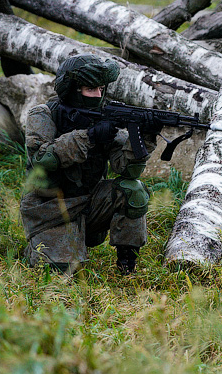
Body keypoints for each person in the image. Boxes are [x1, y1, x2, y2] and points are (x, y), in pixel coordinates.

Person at [20, 54, 161, 274]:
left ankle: (127, 266)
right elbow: (42, 159)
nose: (97, 96)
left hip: (90, 203)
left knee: (134, 190)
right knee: (61, 272)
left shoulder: (102, 118)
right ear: (71, 89)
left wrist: (144, 137)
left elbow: (127, 170)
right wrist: (89, 136)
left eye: (101, 89)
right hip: (50, 210)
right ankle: (41, 245)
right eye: (89, 89)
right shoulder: (44, 114)